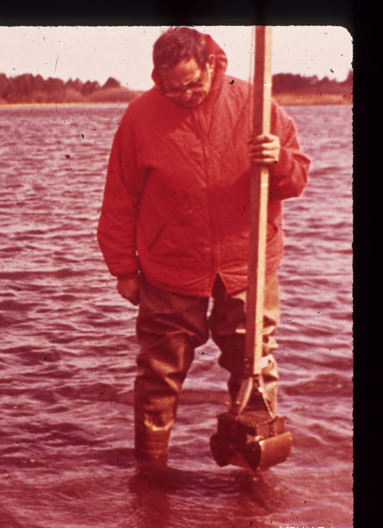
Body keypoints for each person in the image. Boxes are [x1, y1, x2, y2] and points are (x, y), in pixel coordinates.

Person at [96, 27, 310, 464]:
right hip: (170, 268)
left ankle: (253, 480)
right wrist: (123, 270)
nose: (184, 95)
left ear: (211, 65)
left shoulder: (253, 102)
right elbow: (119, 199)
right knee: (158, 376)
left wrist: (279, 160)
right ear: (158, 77)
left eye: (192, 84)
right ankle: (150, 476)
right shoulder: (140, 115)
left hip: (247, 262)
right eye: (171, 89)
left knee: (255, 368)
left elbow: (297, 178)